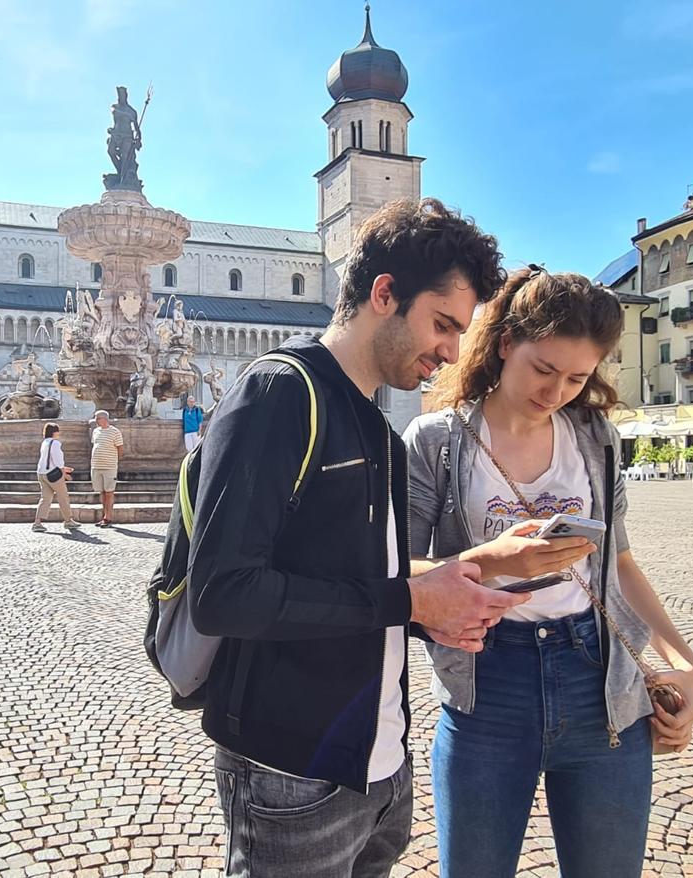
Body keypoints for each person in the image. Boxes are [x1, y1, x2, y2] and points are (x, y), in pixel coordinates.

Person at [188, 198, 528, 878]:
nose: (452, 352)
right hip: (292, 774)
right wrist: (412, 602)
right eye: (443, 324)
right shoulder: (278, 393)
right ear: (384, 294)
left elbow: (372, 580)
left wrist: (454, 591)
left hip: (380, 770)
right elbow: (225, 595)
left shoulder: (377, 427)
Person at [404, 267, 693, 878]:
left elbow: (618, 560)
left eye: (577, 377)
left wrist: (685, 661)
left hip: (598, 681)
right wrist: (489, 562)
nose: (556, 391)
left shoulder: (594, 437)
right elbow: (396, 572)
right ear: (506, 341)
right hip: (489, 685)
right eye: (544, 369)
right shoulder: (437, 439)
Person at [33, 423, 81, 533]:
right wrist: (64, 472)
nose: (59, 433)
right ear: (54, 432)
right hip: (52, 475)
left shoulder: (44, 442)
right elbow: (58, 461)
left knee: (45, 498)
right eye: (58, 431)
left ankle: (37, 522)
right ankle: (68, 521)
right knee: (63, 496)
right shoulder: (55, 443)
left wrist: (63, 468)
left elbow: (47, 459)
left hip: (41, 473)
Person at [89, 410, 124, 528]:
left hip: (109, 466)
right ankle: (104, 515)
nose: (95, 421)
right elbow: (95, 445)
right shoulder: (95, 431)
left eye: (97, 418)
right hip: (96, 466)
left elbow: (120, 448)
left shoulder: (115, 432)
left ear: (104, 419)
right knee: (101, 492)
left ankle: (108, 517)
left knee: (109, 492)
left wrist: (115, 461)